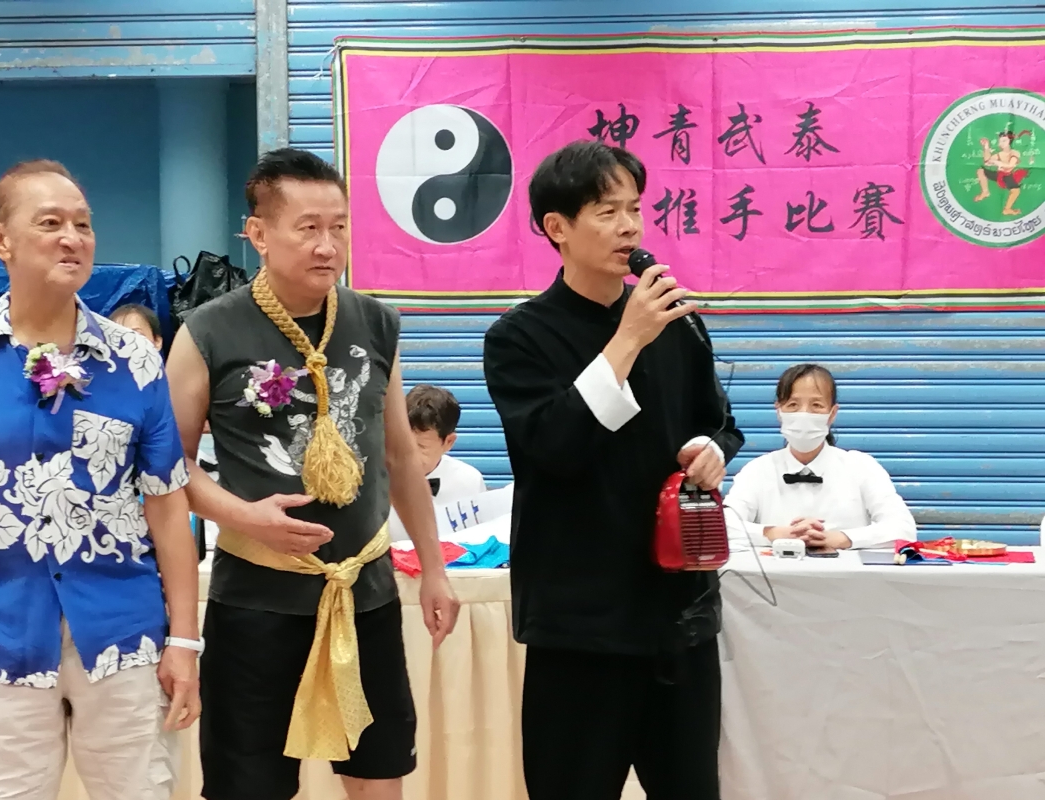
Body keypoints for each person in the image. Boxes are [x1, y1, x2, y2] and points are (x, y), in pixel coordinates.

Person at [0, 159, 200, 800]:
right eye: (51, 223)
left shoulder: (136, 360)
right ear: (1, 239)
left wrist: (185, 639)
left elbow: (168, 507)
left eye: (83, 225)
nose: (72, 239)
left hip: (125, 634)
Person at [166, 147, 459, 800]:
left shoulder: (375, 322)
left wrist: (434, 568)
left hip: (365, 594)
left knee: (378, 774)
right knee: (250, 784)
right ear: (258, 233)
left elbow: (399, 457)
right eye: (308, 228)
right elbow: (166, 466)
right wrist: (245, 517)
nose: (328, 246)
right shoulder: (207, 332)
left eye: (339, 227)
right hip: (256, 599)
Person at [483, 140, 744, 800]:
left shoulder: (676, 324)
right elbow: (553, 448)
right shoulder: (519, 336)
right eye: (607, 212)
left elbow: (720, 421)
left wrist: (713, 449)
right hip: (580, 627)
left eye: (635, 208)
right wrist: (627, 339)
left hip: (678, 616)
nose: (630, 227)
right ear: (557, 227)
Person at [724, 363, 916, 551]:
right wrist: (776, 533)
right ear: (779, 411)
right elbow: (723, 526)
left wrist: (839, 538)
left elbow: (903, 528)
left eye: (816, 405)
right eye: (793, 405)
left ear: (832, 414)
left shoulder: (861, 467)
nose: (804, 414)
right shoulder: (757, 470)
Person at [388, 384, 487, 542]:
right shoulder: (376, 478)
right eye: (404, 443)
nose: (408, 455)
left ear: (449, 442)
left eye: (420, 447)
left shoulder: (470, 481)